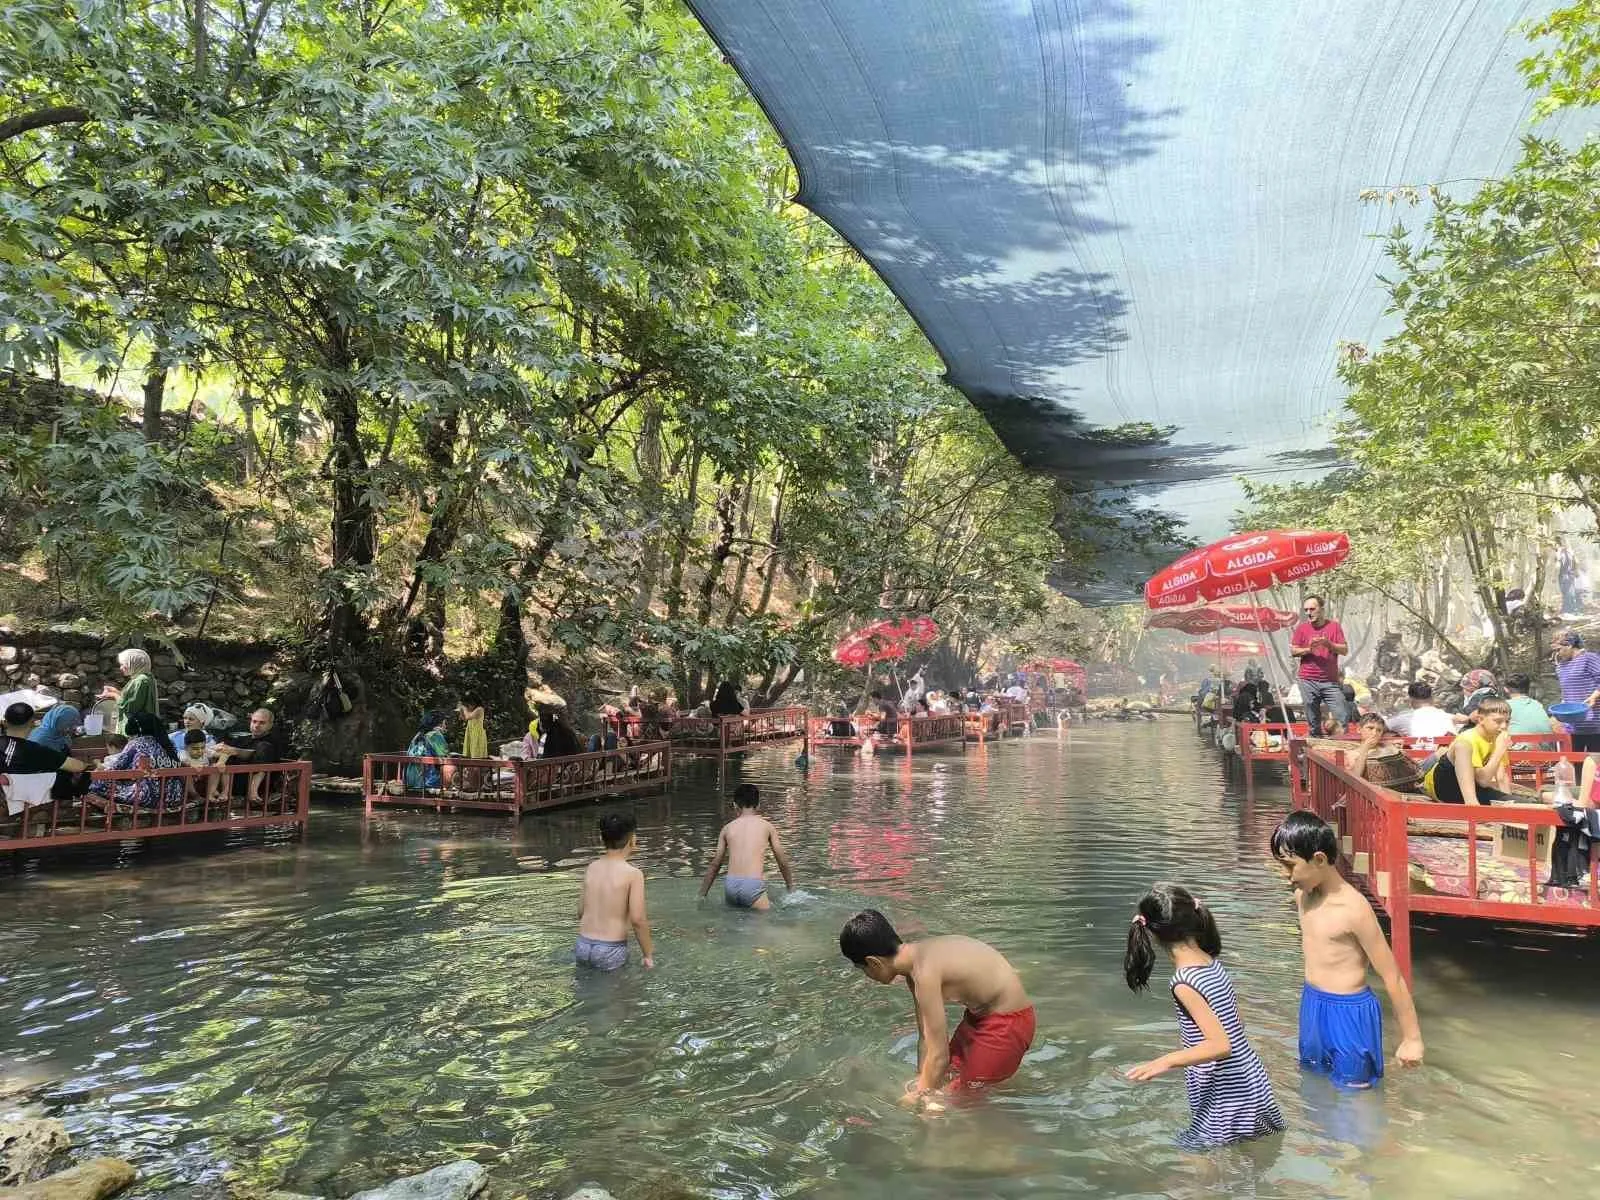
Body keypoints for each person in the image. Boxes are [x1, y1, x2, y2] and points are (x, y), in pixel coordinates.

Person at [1123, 883, 1285, 1149]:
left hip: (1226, 1088)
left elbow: (1220, 1045)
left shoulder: (1184, 981)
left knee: (1195, 1163)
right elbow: (1237, 1023)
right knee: (1245, 1156)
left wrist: (1166, 1061)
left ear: (1152, 934)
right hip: (1250, 1076)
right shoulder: (1211, 962)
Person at [1271, 811, 1424, 1086]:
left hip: (1350, 1012)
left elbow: (1392, 977)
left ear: (1319, 859)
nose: (1285, 875)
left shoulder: (1355, 909)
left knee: (1356, 1095)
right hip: (1313, 1004)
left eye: (1289, 866)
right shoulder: (1301, 897)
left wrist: (1412, 1038)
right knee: (1313, 1083)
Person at [839, 909, 1035, 1106]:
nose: (866, 975)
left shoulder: (924, 973)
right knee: (949, 1077)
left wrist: (920, 1097)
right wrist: (921, 1082)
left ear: (873, 962)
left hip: (1009, 1022)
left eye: (861, 968)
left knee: (959, 1100)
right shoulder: (915, 966)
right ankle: (1005, 1079)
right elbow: (926, 1037)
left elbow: (938, 1054)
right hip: (980, 1017)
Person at [575, 811, 653, 971]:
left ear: (601, 838)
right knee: (620, 994)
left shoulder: (591, 868)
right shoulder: (633, 874)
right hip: (610, 949)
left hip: (583, 945)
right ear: (632, 839)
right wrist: (648, 955)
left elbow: (580, 912)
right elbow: (638, 920)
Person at [698, 784, 796, 910]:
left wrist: (702, 895)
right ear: (758, 805)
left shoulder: (727, 828)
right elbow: (782, 861)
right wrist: (790, 887)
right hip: (753, 885)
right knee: (762, 926)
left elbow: (715, 865)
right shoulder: (767, 827)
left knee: (734, 926)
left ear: (735, 805)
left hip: (731, 885)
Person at [1420, 696, 1513, 805]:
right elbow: (1482, 780)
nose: (1504, 726)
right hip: (1443, 785)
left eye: (1507, 721)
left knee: (1522, 802)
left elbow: (1501, 777)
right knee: (1463, 746)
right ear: (1481, 719)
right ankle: (1472, 805)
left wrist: (1508, 801)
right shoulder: (1470, 737)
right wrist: (1499, 750)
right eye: (1498, 721)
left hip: (1471, 787)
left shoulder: (1497, 738)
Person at [3, 702, 90, 814]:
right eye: (67, 723)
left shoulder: (61, 737)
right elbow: (75, 766)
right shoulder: (39, 741)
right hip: (38, 791)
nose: (70, 728)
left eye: (72, 724)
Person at [90, 711, 184, 811]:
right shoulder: (169, 744)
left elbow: (114, 769)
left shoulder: (137, 743)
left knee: (99, 781)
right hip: (173, 796)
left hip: (148, 797)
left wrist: (98, 766)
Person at [1290, 595, 1349, 738]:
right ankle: (1315, 743)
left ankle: (1340, 742)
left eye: (1312, 609)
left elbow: (1345, 650)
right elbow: (1293, 651)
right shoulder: (1302, 628)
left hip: (1330, 681)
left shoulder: (1334, 626)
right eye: (1306, 610)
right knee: (1313, 717)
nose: (1309, 613)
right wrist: (1308, 649)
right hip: (1307, 679)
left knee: (1342, 712)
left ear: (1322, 609)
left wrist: (1329, 644)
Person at [214, 708, 288, 805]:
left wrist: (235, 751)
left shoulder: (273, 741)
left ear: (270, 725)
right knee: (227, 752)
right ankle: (224, 791)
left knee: (263, 748)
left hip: (261, 785)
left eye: (262, 723)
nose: (256, 725)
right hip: (235, 783)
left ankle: (252, 791)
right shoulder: (241, 739)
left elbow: (253, 753)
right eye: (254, 721)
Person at [1553, 631, 1600, 752]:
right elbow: (1567, 692)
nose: (1557, 653)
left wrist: (1594, 696)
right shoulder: (1561, 666)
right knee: (1574, 765)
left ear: (1569, 645)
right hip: (1572, 726)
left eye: (1558, 649)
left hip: (1594, 724)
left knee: (1594, 765)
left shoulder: (1589, 659)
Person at [99, 648, 159, 735]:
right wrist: (116, 691)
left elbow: (130, 706)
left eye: (123, 664)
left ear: (133, 663)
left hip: (137, 730)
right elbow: (135, 699)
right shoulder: (144, 677)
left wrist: (113, 695)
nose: (121, 668)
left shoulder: (141, 680)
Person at [1383, 681, 1454, 740]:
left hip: (1418, 755)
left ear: (1410, 699)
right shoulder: (1448, 717)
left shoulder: (1404, 718)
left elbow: (1378, 728)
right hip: (1445, 754)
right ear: (1431, 698)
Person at [402, 709, 451, 790]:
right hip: (427, 781)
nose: (446, 726)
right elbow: (445, 757)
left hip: (410, 780)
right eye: (445, 723)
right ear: (439, 724)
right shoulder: (435, 735)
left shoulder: (418, 735)